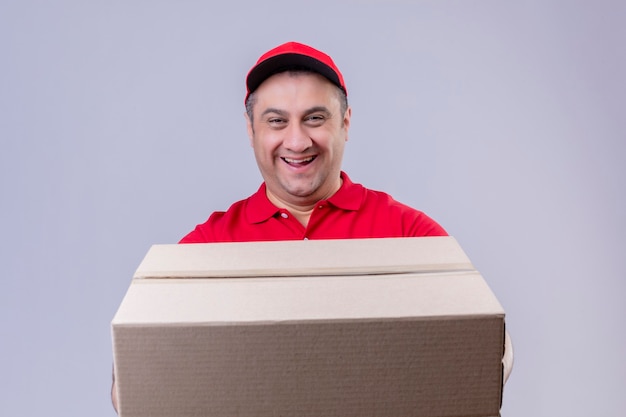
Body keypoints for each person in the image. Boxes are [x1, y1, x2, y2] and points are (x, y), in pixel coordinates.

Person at [112, 41, 512, 413]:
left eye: (315, 118)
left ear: (346, 123)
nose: (297, 140)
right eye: (277, 121)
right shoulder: (207, 246)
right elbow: (134, 380)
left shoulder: (408, 232)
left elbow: (487, 353)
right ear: (252, 131)